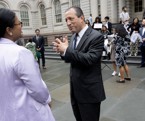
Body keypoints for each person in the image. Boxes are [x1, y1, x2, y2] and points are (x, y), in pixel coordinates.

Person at [0, 8, 55, 121]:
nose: (21, 26)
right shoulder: (20, 53)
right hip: (28, 113)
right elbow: (37, 88)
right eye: (19, 23)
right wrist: (47, 100)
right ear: (9, 30)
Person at [53, 6, 106, 121]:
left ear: (81, 18)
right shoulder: (73, 37)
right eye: (66, 20)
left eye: (71, 19)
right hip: (75, 91)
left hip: (89, 93)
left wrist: (67, 50)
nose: (68, 23)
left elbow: (89, 59)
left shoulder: (96, 36)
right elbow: (71, 59)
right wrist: (63, 52)